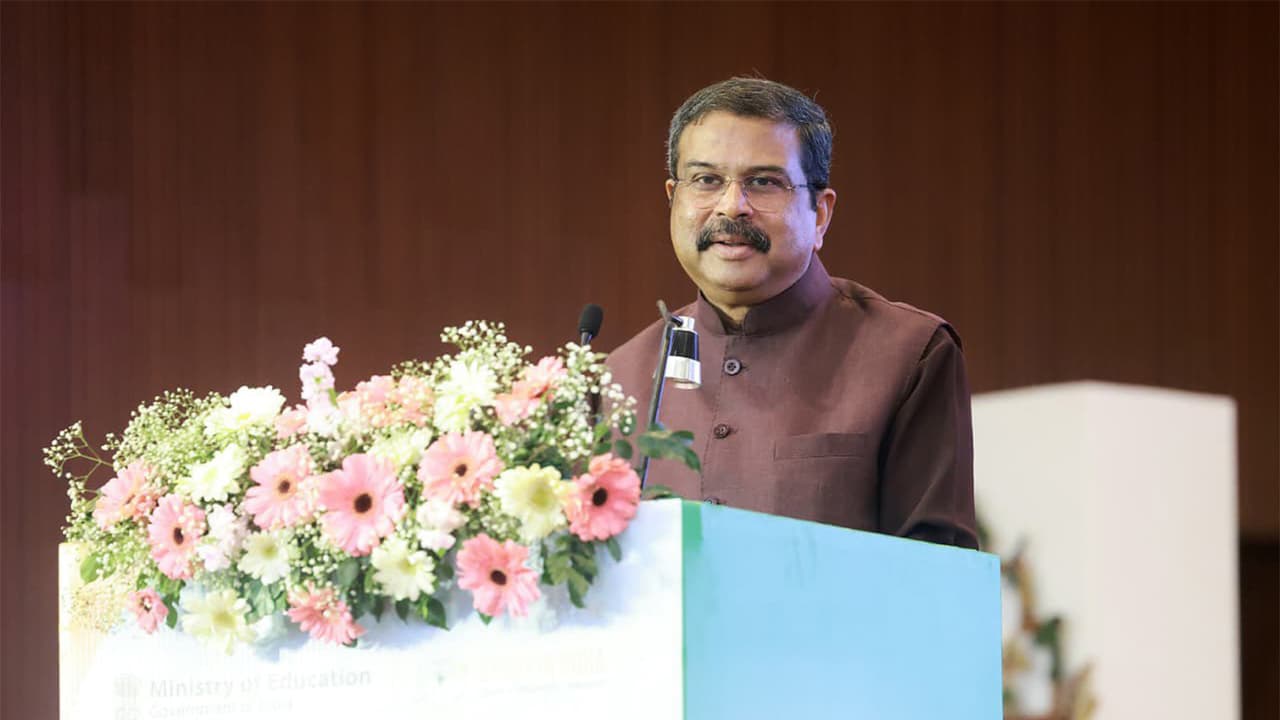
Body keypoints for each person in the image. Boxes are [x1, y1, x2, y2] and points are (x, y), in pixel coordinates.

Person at [606, 77, 978, 549]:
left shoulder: (909, 354)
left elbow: (938, 581)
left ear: (820, 214)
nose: (731, 206)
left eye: (764, 182)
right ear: (672, 199)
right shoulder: (617, 379)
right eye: (705, 180)